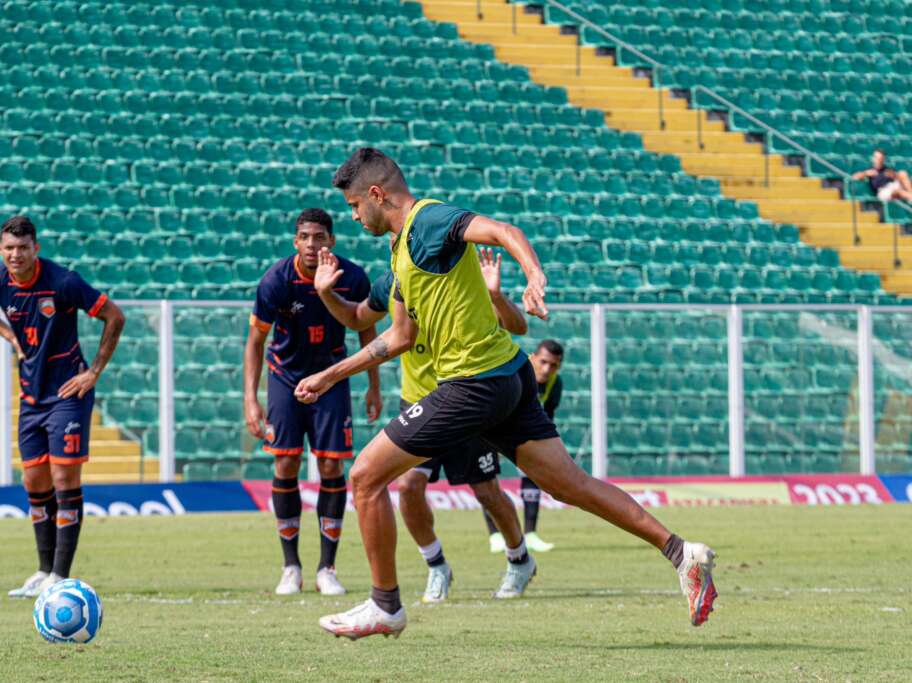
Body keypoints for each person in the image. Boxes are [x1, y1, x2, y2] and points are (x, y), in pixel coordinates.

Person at [295, 148, 718, 640]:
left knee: (366, 478)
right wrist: (331, 375)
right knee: (570, 485)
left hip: (472, 382)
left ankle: (385, 604)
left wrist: (533, 276)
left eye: (352, 206)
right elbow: (400, 338)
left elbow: (503, 232)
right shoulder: (401, 250)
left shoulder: (428, 220)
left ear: (375, 194)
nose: (352, 216)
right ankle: (681, 553)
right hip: (507, 375)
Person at [314, 245, 535, 602]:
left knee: (486, 491)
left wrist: (496, 295)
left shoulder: (462, 278)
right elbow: (357, 318)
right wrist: (326, 293)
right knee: (409, 486)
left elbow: (518, 326)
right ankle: (436, 566)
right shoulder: (391, 284)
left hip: (468, 395)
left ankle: (519, 558)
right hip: (420, 400)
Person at [0, 216, 125, 598]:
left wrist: (94, 373)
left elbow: (114, 316)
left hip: (68, 393)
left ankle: (60, 575)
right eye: (9, 248)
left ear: (36, 248)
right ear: (0, 249)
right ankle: (42, 570)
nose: (15, 255)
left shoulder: (63, 282)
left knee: (63, 480)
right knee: (33, 481)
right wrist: (7, 334)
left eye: (23, 248)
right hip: (31, 397)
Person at [243, 208, 382, 597]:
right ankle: (291, 566)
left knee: (330, 465)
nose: (311, 244)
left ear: (331, 242)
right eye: (304, 237)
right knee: (285, 462)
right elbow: (255, 343)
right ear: (295, 241)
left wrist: (374, 386)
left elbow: (366, 331)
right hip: (285, 378)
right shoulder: (276, 281)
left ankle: (327, 568)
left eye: (319, 237)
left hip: (332, 378)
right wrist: (250, 400)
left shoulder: (352, 278)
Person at [484, 339, 564, 554]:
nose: (547, 369)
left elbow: (547, 414)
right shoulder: (517, 370)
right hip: (492, 427)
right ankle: (495, 535)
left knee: (535, 474)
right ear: (534, 358)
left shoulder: (555, 383)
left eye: (554, 365)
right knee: (487, 480)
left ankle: (530, 534)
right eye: (543, 362)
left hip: (521, 431)